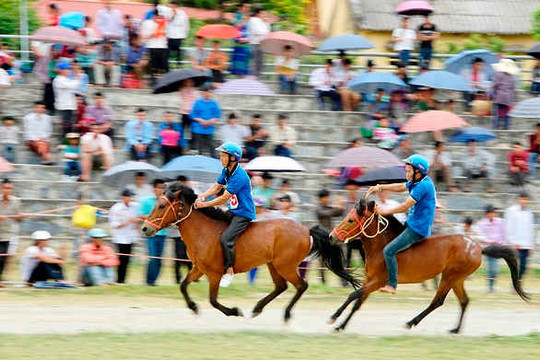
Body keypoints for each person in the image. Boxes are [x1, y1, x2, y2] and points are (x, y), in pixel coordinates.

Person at [366, 154, 436, 294]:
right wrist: (380, 187)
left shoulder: (423, 186)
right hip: (411, 222)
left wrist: (384, 211)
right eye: (406, 170)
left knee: (388, 250)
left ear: (418, 172)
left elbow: (405, 206)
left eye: (409, 171)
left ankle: (392, 284)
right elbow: (400, 186)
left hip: (417, 229)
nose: (407, 173)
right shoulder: (416, 181)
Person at [195, 142, 256, 287]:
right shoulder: (226, 170)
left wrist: (205, 204)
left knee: (226, 239)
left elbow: (224, 197)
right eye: (221, 155)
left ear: (233, 158)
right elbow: (217, 187)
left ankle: (229, 271)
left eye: (223, 156)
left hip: (243, 214)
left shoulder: (239, 176)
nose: (220, 158)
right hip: (233, 211)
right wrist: (202, 195)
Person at [139, 179, 167, 286]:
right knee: (153, 258)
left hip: (162, 234)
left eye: (163, 188)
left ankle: (153, 281)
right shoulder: (146, 201)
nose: (161, 190)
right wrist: (154, 218)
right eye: (159, 187)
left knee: (159, 260)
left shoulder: (165, 202)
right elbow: (141, 215)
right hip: (151, 234)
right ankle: (149, 281)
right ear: (154, 189)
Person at [109, 189, 140, 284]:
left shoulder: (135, 206)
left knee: (127, 260)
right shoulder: (116, 208)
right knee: (121, 259)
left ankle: (123, 280)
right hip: (120, 238)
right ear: (123, 197)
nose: (131, 198)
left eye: (131, 196)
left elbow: (140, 216)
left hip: (131, 237)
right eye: (129, 196)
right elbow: (114, 225)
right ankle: (119, 279)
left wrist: (137, 220)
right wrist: (128, 222)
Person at [504, 192, 536, 280]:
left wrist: (531, 246)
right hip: (515, 244)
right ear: (518, 199)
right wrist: (512, 242)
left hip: (526, 245)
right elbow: (508, 227)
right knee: (515, 265)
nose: (524, 201)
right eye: (522, 199)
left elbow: (530, 229)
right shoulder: (511, 210)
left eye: (526, 199)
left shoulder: (529, 213)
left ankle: (517, 284)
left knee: (523, 266)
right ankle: (516, 286)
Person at [477, 205, 507, 293]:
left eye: (493, 213)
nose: (491, 214)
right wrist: (490, 241)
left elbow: (504, 234)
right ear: (486, 214)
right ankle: (490, 287)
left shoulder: (501, 222)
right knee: (492, 268)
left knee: (496, 269)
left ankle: (491, 285)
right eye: (489, 213)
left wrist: (502, 243)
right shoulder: (481, 223)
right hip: (489, 248)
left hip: (499, 247)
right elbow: (480, 236)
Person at [0, 179, 23, 286]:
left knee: (3, 258)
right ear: (1, 188)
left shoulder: (16, 201)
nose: (7, 190)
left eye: (10, 188)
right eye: (5, 188)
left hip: (6, 234)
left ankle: (1, 279)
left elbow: (17, 219)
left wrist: (21, 217)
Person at [171, 175, 193, 284]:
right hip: (177, 234)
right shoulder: (174, 199)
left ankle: (192, 277)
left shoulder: (190, 196)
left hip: (189, 234)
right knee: (179, 256)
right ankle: (177, 278)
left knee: (190, 256)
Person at [189, 86, 222, 157]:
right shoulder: (197, 102)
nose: (208, 93)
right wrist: (201, 120)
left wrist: (210, 121)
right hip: (198, 129)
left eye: (210, 92)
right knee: (199, 149)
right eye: (207, 92)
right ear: (203, 93)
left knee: (212, 148)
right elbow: (192, 115)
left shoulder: (214, 103)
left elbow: (218, 115)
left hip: (209, 129)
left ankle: (214, 162)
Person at [140, 10, 169, 84]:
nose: (159, 18)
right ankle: (153, 81)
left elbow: (167, 36)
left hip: (162, 47)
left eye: (160, 17)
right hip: (151, 47)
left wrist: (165, 34)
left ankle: (166, 81)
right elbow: (144, 37)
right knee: (153, 65)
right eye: (157, 16)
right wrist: (152, 34)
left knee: (164, 65)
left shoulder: (164, 24)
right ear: (154, 16)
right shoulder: (147, 23)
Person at [53, 62, 81, 136]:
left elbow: (76, 87)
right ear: (61, 70)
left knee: (70, 126)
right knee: (66, 126)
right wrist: (77, 77)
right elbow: (74, 86)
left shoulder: (66, 79)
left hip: (70, 105)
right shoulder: (58, 80)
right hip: (64, 106)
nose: (69, 71)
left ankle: (68, 142)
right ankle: (64, 142)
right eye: (67, 69)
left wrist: (76, 79)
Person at [492, 59, 518, 130]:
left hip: (499, 97)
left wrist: (492, 94)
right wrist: (514, 100)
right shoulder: (512, 77)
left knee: (496, 114)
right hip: (508, 98)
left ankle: (495, 127)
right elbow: (513, 89)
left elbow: (494, 85)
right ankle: (506, 128)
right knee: (507, 115)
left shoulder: (499, 74)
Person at [230, 2, 251, 77]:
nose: (247, 9)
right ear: (240, 8)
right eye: (245, 7)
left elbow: (249, 30)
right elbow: (237, 25)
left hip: (246, 44)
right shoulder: (236, 16)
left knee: (245, 66)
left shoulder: (247, 18)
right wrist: (243, 19)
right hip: (239, 44)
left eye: (248, 8)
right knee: (239, 67)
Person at [248, 7, 270, 77]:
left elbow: (268, 32)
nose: (264, 15)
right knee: (254, 64)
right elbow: (257, 32)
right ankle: (252, 80)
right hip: (254, 44)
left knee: (260, 64)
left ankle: (257, 79)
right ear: (258, 13)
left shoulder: (262, 21)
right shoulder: (253, 20)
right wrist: (265, 32)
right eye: (263, 13)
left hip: (261, 45)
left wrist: (266, 23)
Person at [166, 0, 189, 66]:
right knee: (167, 53)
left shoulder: (183, 14)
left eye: (172, 6)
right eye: (170, 7)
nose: (171, 8)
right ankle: (167, 67)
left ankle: (178, 65)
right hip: (169, 36)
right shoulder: (169, 13)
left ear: (177, 6)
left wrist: (185, 35)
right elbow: (167, 23)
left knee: (177, 53)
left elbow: (183, 24)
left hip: (178, 36)